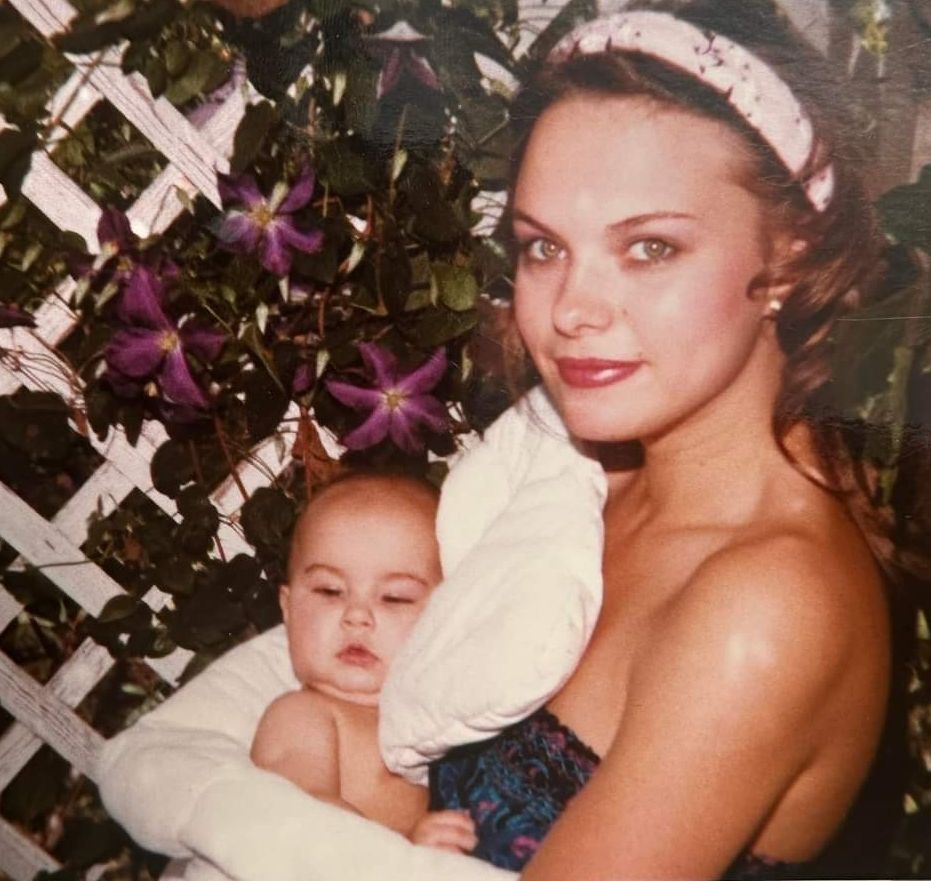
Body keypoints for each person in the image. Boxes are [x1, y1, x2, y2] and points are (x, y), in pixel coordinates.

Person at [97, 3, 915, 879]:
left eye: (648, 247)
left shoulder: (763, 607)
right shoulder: (570, 478)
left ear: (787, 259)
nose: (570, 310)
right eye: (541, 248)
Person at [249, 472, 476, 852]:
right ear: (287, 608)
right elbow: (300, 817)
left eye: (395, 598)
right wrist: (405, 852)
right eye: (329, 590)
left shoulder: (432, 715)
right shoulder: (303, 715)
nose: (356, 615)